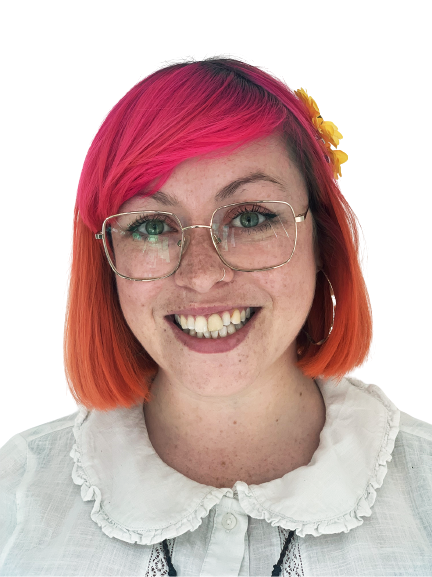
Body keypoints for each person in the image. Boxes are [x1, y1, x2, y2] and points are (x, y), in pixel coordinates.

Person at [1, 55, 431, 576]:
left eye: (251, 218)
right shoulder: (15, 495)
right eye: (152, 226)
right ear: (106, 260)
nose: (203, 275)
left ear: (323, 239)